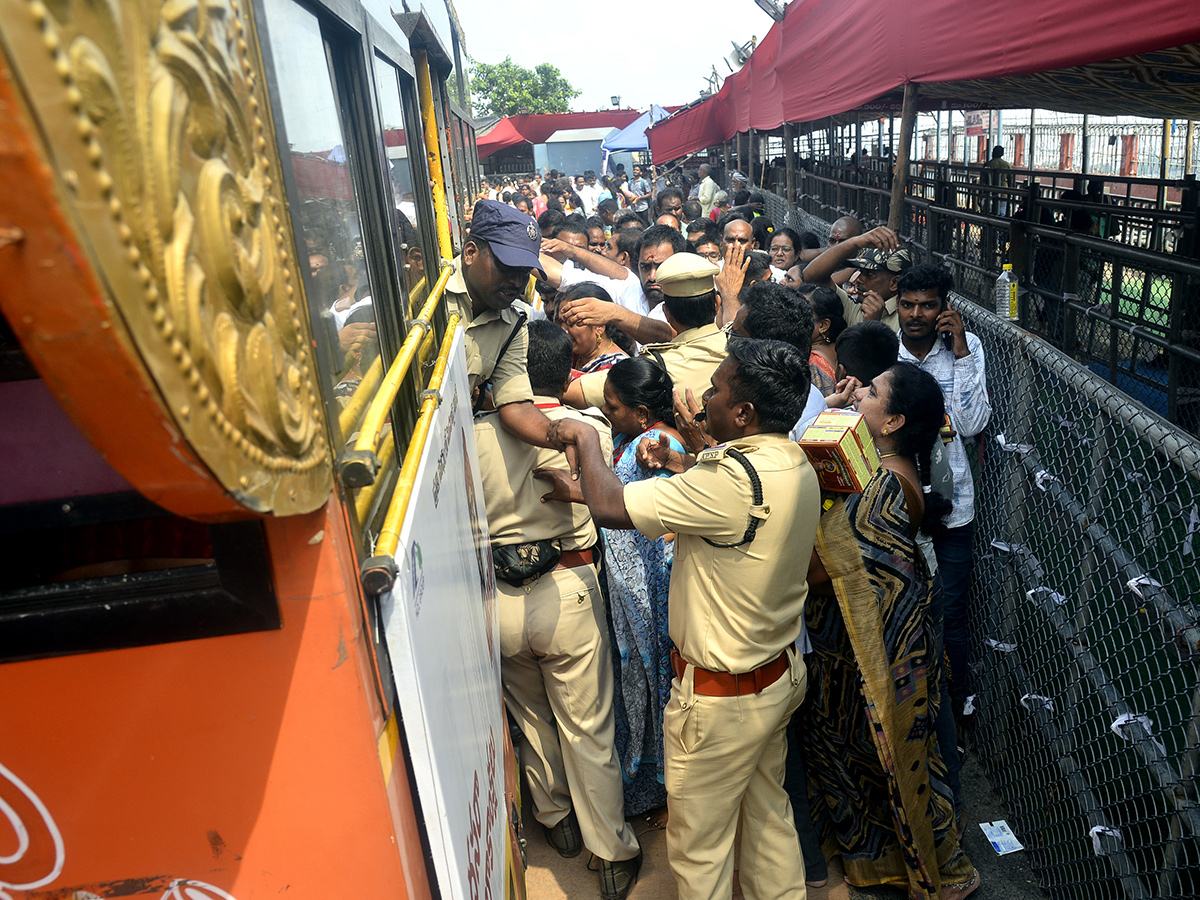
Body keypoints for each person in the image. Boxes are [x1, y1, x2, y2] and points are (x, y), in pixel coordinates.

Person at [541, 337, 821, 900]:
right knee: (768, 825)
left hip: (722, 702)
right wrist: (679, 459)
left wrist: (587, 440)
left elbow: (610, 508)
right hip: (776, 677)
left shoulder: (731, 480)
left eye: (716, 390)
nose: (701, 400)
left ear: (743, 413)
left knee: (699, 851)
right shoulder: (791, 460)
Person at [475, 321, 641, 900]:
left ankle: (557, 822)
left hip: (498, 600)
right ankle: (611, 853)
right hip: (568, 586)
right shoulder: (586, 428)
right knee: (588, 728)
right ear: (566, 369)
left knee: (533, 719)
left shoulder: (472, 433)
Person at [804, 361, 979, 900]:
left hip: (874, 650)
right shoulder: (875, 470)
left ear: (893, 421)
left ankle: (931, 868)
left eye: (872, 391)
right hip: (858, 642)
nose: (859, 393)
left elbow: (825, 565)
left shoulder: (886, 486)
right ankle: (876, 861)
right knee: (861, 750)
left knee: (886, 753)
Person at [895, 264, 990, 726]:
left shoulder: (967, 350)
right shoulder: (884, 354)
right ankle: (910, 708)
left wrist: (961, 352)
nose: (916, 314)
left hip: (954, 506)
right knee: (900, 605)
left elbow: (972, 426)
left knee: (950, 610)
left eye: (928, 304)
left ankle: (957, 704)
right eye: (908, 303)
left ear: (944, 308)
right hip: (895, 503)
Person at [595, 357, 688, 828]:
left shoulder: (661, 444)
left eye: (614, 408)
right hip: (634, 589)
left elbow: (672, 521)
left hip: (653, 593)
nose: (608, 414)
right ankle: (652, 785)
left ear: (644, 411)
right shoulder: (633, 438)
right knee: (640, 686)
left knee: (655, 688)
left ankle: (666, 790)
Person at [445, 199, 573, 455]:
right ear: (470, 253)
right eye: (507, 267)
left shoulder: (513, 325)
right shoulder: (432, 291)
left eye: (524, 271)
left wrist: (560, 436)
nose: (516, 282)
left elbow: (515, 404)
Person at [567, 250, 727, 412]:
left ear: (666, 313)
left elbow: (572, 393)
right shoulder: (739, 346)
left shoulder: (655, 367)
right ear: (717, 303)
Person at [803, 225, 911, 331]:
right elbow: (812, 277)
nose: (858, 279)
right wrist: (855, 242)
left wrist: (871, 326)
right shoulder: (858, 307)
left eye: (870, 274)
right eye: (860, 272)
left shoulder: (907, 319)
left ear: (894, 283)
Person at [557, 283, 630, 375]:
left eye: (571, 322)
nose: (563, 330)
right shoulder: (570, 354)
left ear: (599, 326)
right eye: (561, 322)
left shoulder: (618, 369)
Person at [801, 285, 848, 396]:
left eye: (803, 313)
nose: (795, 316)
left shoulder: (812, 363)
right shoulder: (839, 347)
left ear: (823, 325)